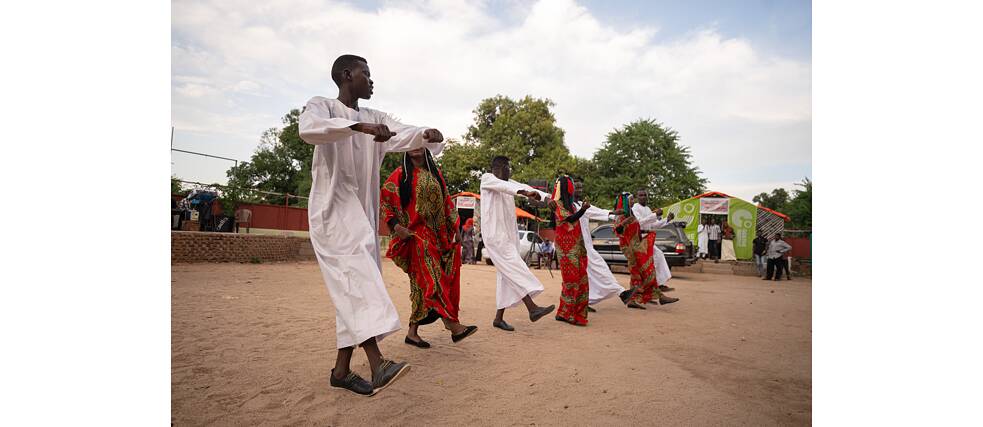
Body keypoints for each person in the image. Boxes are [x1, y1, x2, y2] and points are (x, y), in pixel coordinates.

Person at [298, 54, 441, 396]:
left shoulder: (375, 118)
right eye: (366, 73)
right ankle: (377, 363)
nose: (372, 80)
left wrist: (424, 134)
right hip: (332, 212)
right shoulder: (322, 107)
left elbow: (401, 132)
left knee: (354, 285)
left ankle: (341, 370)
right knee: (357, 278)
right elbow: (309, 129)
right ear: (347, 75)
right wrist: (358, 128)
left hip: (360, 214)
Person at [380, 147, 479, 349]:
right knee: (433, 279)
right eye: (412, 144)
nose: (415, 149)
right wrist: (396, 226)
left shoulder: (436, 175)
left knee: (421, 286)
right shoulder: (400, 175)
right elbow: (385, 201)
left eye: (420, 144)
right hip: (416, 237)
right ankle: (453, 326)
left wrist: (456, 227)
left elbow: (446, 202)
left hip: (438, 237)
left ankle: (412, 333)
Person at [479, 156, 556, 331]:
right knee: (514, 266)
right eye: (508, 167)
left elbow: (524, 187)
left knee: (506, 274)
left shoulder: (511, 182)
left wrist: (547, 198)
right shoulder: (487, 178)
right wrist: (524, 193)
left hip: (509, 234)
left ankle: (499, 319)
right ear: (499, 167)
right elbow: (510, 187)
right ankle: (532, 308)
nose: (510, 171)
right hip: (495, 236)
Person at [613, 193, 678, 309]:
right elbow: (618, 230)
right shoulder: (622, 216)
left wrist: (665, 219)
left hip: (638, 246)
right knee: (639, 273)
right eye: (631, 199)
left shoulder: (631, 214)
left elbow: (643, 225)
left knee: (646, 271)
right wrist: (625, 222)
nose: (633, 201)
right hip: (630, 249)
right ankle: (644, 297)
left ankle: (653, 296)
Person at [573, 180, 625, 312]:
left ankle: (585, 301)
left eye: (581, 187)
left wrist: (612, 213)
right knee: (599, 266)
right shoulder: (570, 206)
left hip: (586, 244)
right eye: (576, 187)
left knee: (587, 275)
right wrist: (611, 214)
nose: (579, 190)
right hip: (578, 245)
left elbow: (595, 210)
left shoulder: (580, 204)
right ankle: (621, 292)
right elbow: (592, 212)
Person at [549, 176, 593, 326]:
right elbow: (569, 219)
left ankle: (572, 312)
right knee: (571, 281)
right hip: (566, 250)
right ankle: (565, 313)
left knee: (581, 280)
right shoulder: (557, 204)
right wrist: (583, 210)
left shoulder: (572, 206)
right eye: (572, 185)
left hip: (577, 248)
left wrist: (581, 209)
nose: (574, 188)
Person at [632, 189, 675, 294]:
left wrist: (666, 220)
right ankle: (650, 287)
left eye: (644, 195)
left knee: (658, 256)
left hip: (648, 237)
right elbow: (640, 223)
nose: (642, 197)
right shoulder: (635, 208)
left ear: (647, 197)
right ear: (637, 197)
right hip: (639, 238)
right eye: (640, 195)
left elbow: (653, 225)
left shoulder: (647, 209)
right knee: (647, 262)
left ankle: (658, 284)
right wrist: (654, 215)